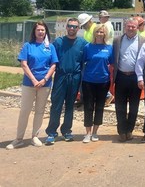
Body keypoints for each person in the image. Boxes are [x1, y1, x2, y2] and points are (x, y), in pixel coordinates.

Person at [6, 21, 58, 150]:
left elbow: (53, 65)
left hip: (45, 84)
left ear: (46, 32)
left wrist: (45, 79)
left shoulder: (50, 47)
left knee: (40, 111)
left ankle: (35, 136)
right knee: (25, 111)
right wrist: (34, 80)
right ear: (34, 32)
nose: (40, 32)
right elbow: (24, 64)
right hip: (29, 84)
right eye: (38, 30)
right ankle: (18, 139)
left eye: (43, 30)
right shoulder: (28, 46)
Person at [45, 18, 87, 145]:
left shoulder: (82, 43)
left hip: (74, 77)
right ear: (66, 27)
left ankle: (67, 130)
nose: (72, 28)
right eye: (70, 26)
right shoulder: (58, 42)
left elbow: (85, 61)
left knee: (70, 105)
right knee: (56, 104)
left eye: (75, 26)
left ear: (78, 28)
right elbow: (50, 59)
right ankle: (52, 132)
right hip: (61, 76)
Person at [113, 18, 145, 142]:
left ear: (137, 28)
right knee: (120, 106)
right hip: (121, 76)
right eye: (129, 26)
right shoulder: (117, 40)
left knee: (134, 106)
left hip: (135, 77)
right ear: (125, 27)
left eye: (133, 26)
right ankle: (121, 130)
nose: (131, 29)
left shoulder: (143, 41)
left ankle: (129, 130)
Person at [81, 24, 113, 143]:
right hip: (88, 81)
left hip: (103, 82)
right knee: (88, 107)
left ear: (105, 34)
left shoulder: (109, 48)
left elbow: (112, 63)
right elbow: (82, 61)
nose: (99, 34)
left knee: (99, 107)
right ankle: (88, 133)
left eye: (102, 32)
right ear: (94, 33)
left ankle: (95, 132)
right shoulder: (88, 47)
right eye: (98, 32)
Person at [99, 10, 115, 106]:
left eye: (101, 17)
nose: (101, 19)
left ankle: (107, 95)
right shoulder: (109, 25)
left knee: (102, 73)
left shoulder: (106, 26)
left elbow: (104, 38)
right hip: (107, 50)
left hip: (105, 50)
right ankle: (106, 94)